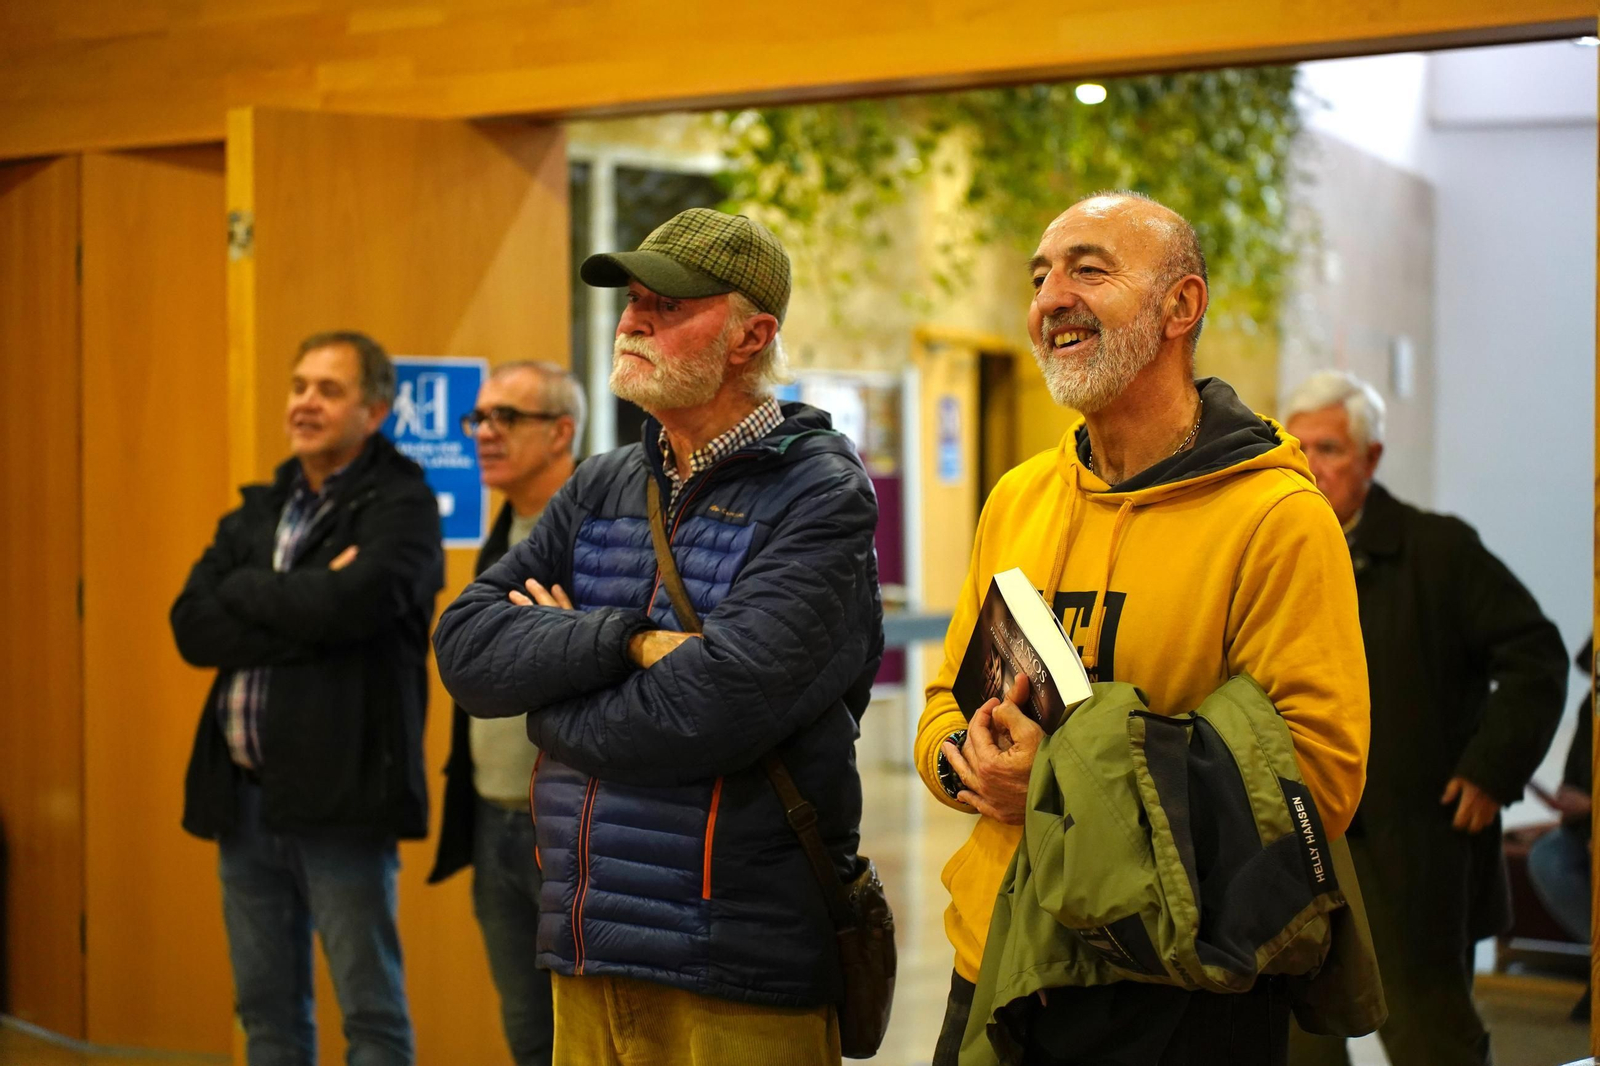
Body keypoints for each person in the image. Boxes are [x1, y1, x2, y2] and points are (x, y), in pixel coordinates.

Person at [916, 191, 1371, 1066]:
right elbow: (944, 702)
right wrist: (962, 761)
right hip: (995, 964)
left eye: (1089, 268)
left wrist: (1051, 786)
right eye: (1041, 275)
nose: (1051, 298)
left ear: (1181, 306)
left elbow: (1318, 779)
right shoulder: (1018, 498)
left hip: (1169, 985)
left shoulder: (1276, 517)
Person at [433, 208, 884, 1066]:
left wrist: (551, 707)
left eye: (669, 306)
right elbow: (466, 649)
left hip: (734, 955)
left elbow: (717, 705)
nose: (634, 321)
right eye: (632, 301)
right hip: (587, 941)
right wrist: (627, 644)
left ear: (752, 336)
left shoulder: (820, 495)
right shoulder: (603, 484)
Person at [170, 331, 444, 1066]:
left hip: (343, 798)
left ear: (376, 409)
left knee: (371, 1016)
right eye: (298, 386)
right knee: (265, 1012)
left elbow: (356, 607)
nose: (305, 403)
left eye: (328, 389)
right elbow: (192, 627)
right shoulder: (261, 508)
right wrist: (308, 604)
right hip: (245, 799)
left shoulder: (406, 505)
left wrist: (249, 595)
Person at [1283, 370, 1568, 1066]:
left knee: (1431, 1042)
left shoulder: (1436, 552)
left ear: (1372, 458)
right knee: (1298, 1043)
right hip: (1301, 846)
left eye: (1329, 449)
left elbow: (1537, 657)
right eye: (1297, 450)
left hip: (1415, 849)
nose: (1310, 467)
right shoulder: (1279, 557)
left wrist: (1491, 769)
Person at [426, 361, 586, 1066]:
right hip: (492, 817)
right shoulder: (501, 534)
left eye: (506, 418)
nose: (484, 433)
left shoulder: (601, 532)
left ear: (562, 433)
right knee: (527, 1037)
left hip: (567, 825)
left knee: (581, 1038)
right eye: (479, 418)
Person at [1529, 636, 1593, 1021]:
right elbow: (1575, 780)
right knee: (1548, 856)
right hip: (1586, 831)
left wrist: (1591, 806)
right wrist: (1570, 803)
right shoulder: (1592, 709)